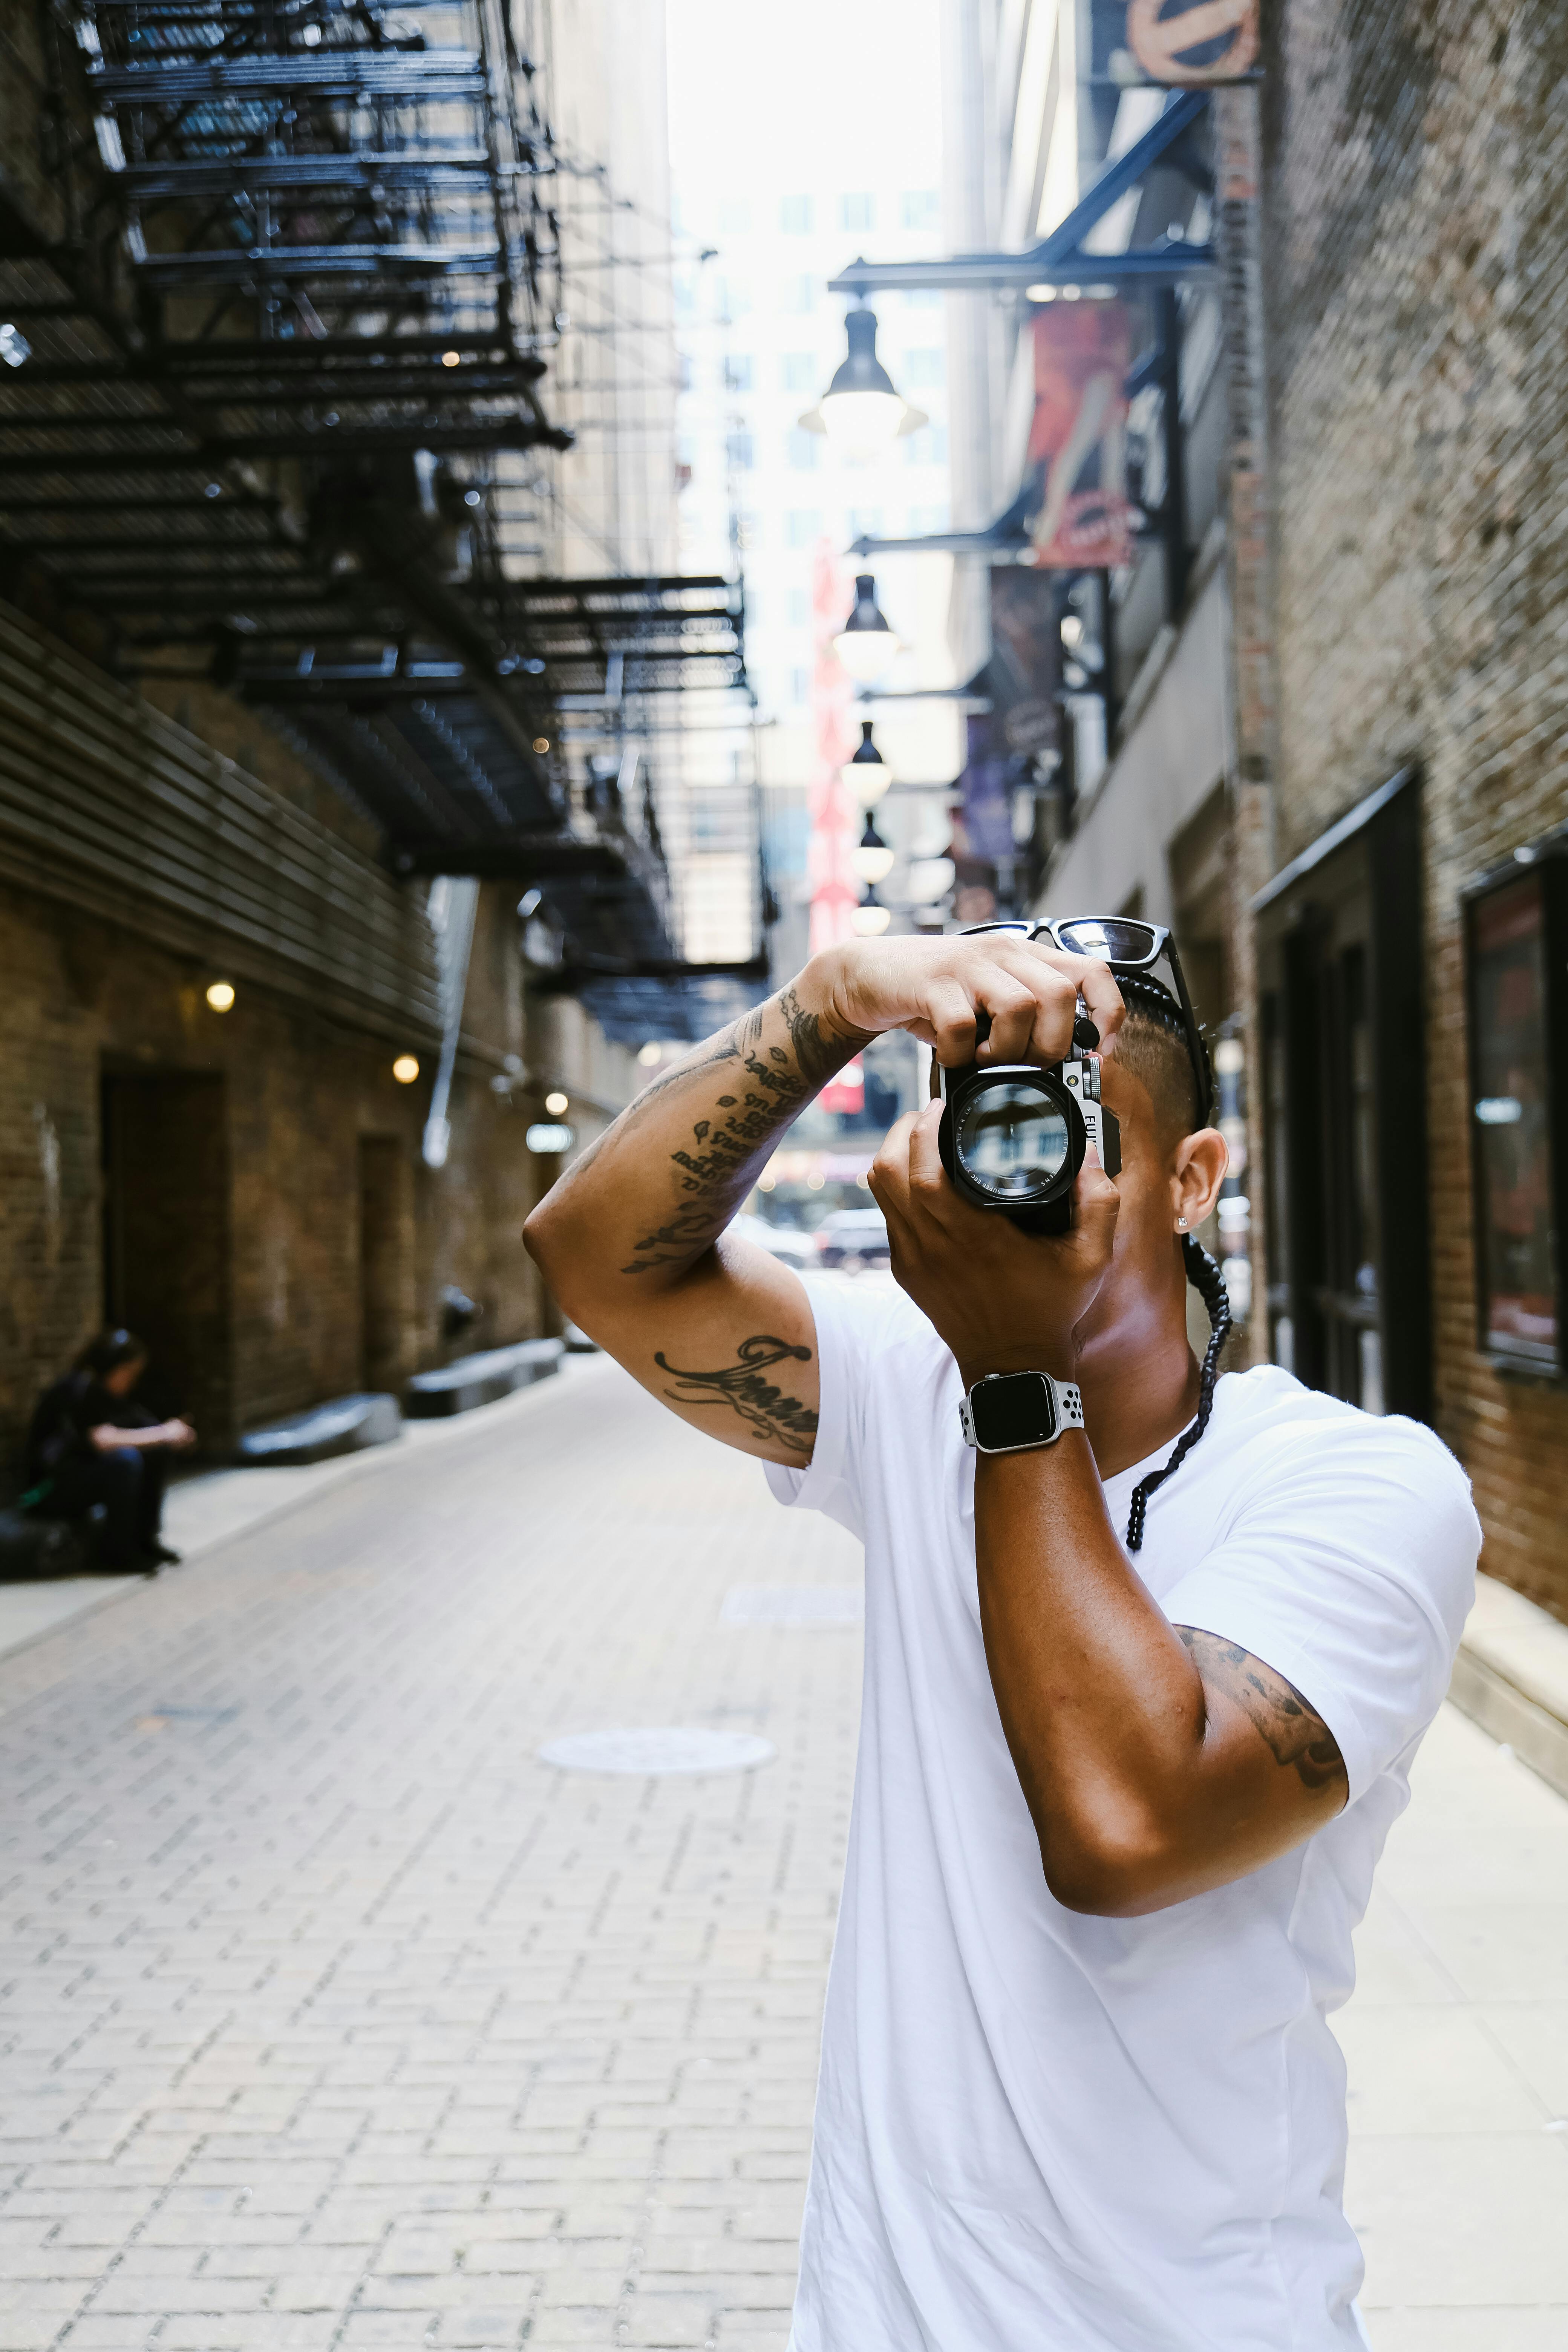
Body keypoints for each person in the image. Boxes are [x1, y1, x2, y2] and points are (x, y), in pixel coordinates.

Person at [524, 932, 1479, 2352]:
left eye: (1077, 1127)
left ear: (1193, 1179)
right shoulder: (915, 1388)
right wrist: (833, 999)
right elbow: (595, 1256)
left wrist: (1016, 1376)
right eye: (996, 1121)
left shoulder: (1364, 1487)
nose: (1030, 1166)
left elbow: (1123, 1828)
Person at [26, 1329, 194, 1572]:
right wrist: (164, 1434)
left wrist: (175, 1435)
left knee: (155, 1451)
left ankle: (145, 1540)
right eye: (129, 1373)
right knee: (125, 1460)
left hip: (79, 1478)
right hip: (46, 1490)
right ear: (111, 1366)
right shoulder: (78, 1388)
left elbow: (141, 1424)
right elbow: (103, 1440)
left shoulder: (106, 1394)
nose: (132, 1381)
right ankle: (117, 1552)